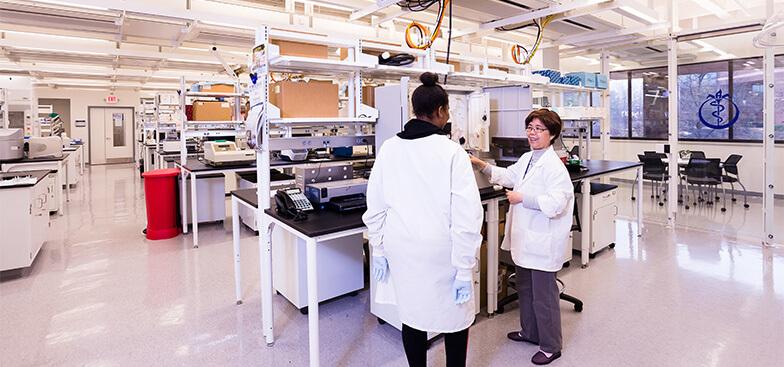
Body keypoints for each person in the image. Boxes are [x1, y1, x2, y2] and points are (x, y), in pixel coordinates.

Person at [362, 72, 483, 367]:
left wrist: (378, 248)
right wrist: (465, 266)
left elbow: (375, 204)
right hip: (441, 254)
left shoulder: (389, 148)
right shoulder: (452, 152)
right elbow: (468, 216)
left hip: (401, 249)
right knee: (455, 320)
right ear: (441, 112)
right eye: (448, 111)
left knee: (412, 316)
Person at [471, 109, 574, 365]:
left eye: (539, 129)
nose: (533, 133)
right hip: (526, 239)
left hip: (542, 241)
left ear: (552, 135)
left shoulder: (554, 167)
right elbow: (510, 176)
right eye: (530, 127)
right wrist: (481, 164)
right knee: (525, 289)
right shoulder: (529, 158)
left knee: (544, 296)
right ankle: (530, 332)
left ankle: (551, 345)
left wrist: (522, 198)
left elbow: (556, 204)